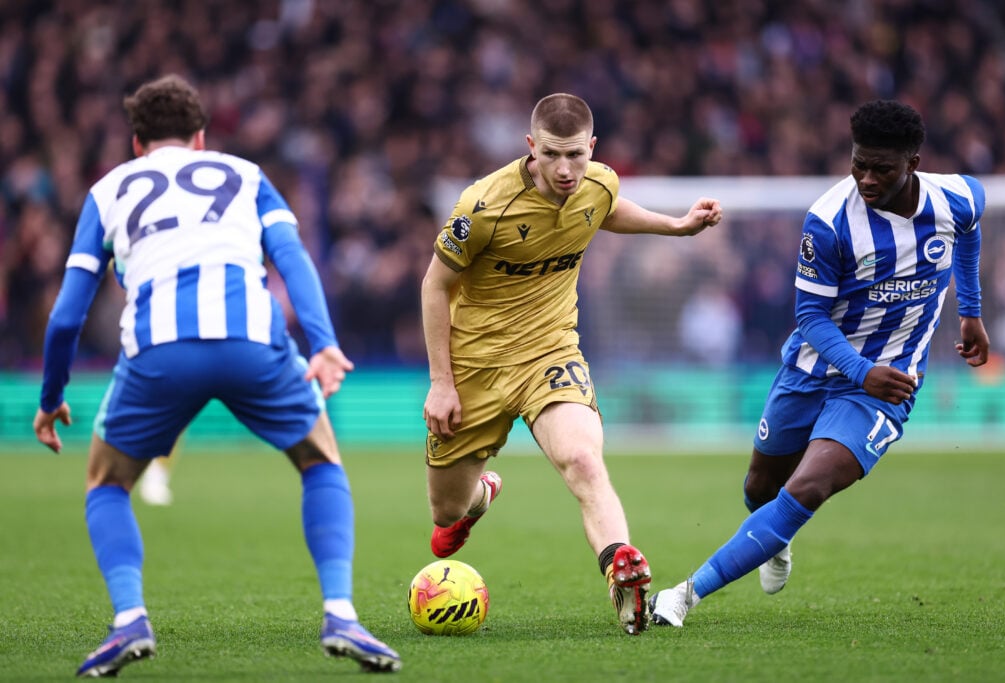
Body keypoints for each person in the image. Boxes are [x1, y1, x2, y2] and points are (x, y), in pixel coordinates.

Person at [32, 75, 400, 676]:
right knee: (320, 461)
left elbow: (66, 315)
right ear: (201, 137)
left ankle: (129, 620)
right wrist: (325, 345)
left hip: (158, 352)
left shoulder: (107, 191)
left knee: (106, 481)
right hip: (252, 341)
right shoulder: (246, 175)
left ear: (135, 143)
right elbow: (293, 260)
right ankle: (341, 613)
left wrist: (51, 397)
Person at [649, 99, 990, 627]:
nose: (867, 178)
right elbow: (809, 316)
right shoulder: (829, 222)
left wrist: (970, 311)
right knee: (760, 490)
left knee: (807, 487)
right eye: (859, 164)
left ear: (913, 163)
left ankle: (685, 594)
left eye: (882, 168)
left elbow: (969, 232)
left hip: (884, 387)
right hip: (813, 369)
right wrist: (859, 367)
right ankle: (773, 538)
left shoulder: (959, 196)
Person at [420, 93, 723, 636]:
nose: (566, 170)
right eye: (554, 155)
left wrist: (676, 227)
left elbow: (606, 210)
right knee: (446, 513)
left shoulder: (600, 182)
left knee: (583, 460)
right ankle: (480, 497)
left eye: (577, 156)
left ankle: (621, 571)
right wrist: (442, 382)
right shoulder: (482, 205)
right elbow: (435, 285)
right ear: (531, 147)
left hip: (550, 352)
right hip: (475, 366)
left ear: (593, 148)